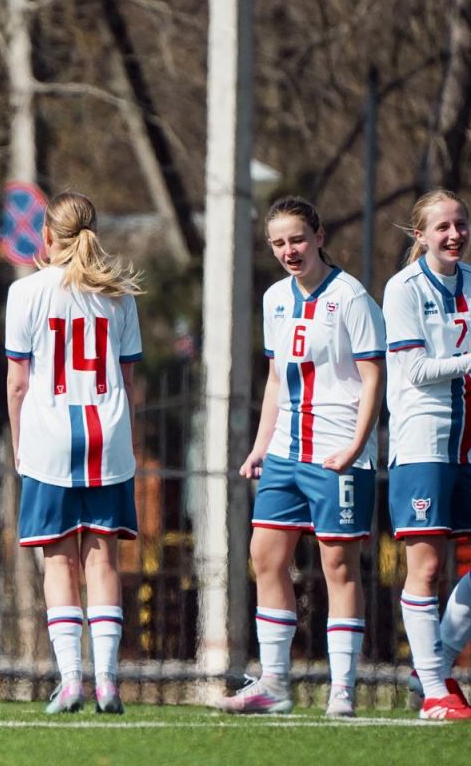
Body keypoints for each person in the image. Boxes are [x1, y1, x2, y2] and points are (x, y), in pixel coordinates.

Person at [218, 197, 385, 718]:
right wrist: (260, 446)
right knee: (265, 557)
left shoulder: (351, 297)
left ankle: (342, 689)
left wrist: (356, 446)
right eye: (278, 243)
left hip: (337, 453)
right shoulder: (275, 299)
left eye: (297, 239)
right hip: (285, 453)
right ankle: (274, 683)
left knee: (338, 564)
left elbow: (373, 377)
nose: (289, 251)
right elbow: (275, 379)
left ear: (318, 236)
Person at [5, 191, 141, 716]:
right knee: (103, 558)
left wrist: (20, 445)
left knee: (58, 558)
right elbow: (128, 380)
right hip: (107, 432)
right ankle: (107, 681)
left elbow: (18, 383)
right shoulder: (119, 294)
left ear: (46, 236)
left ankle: (70, 682)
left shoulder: (26, 291)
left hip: (50, 436)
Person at [384, 189, 471, 721]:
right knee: (428, 565)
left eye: (460, 224)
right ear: (420, 235)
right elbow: (415, 369)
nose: (454, 234)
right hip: (424, 441)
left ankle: (431, 669)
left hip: (468, 441)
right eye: (442, 227)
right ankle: (436, 692)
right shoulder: (404, 288)